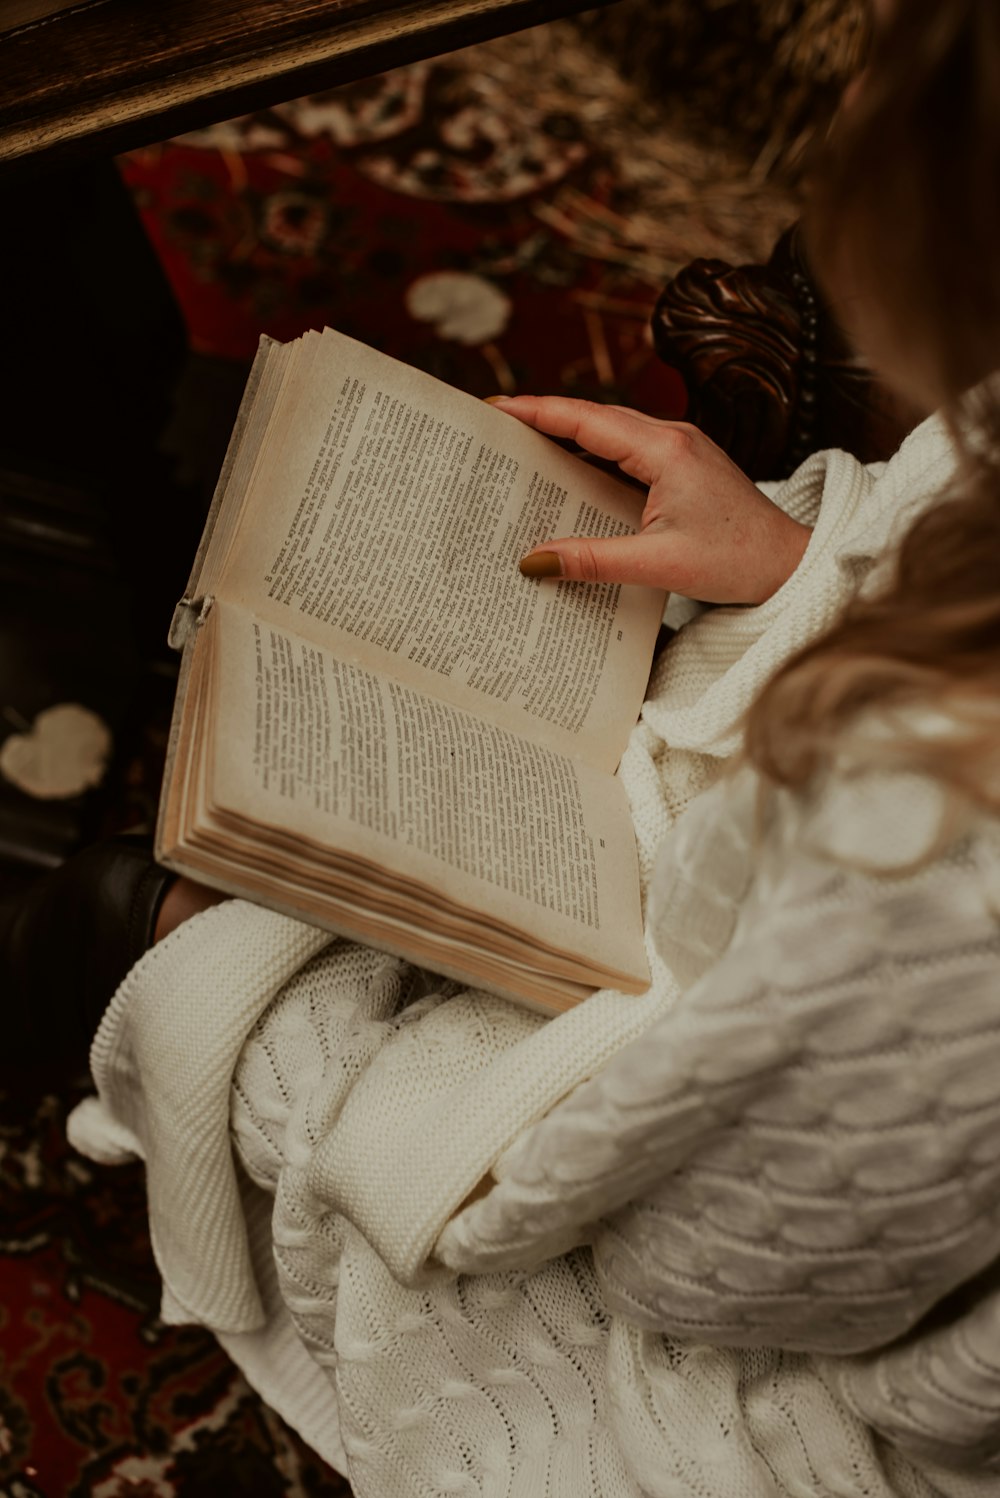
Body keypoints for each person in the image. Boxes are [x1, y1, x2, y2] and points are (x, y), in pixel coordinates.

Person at [6, 0, 1000, 1490]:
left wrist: (366, 1057)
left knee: (206, 952)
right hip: (820, 1005)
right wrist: (798, 567)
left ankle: (124, 937)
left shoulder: (929, 885)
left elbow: (691, 1268)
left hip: (783, 1280)